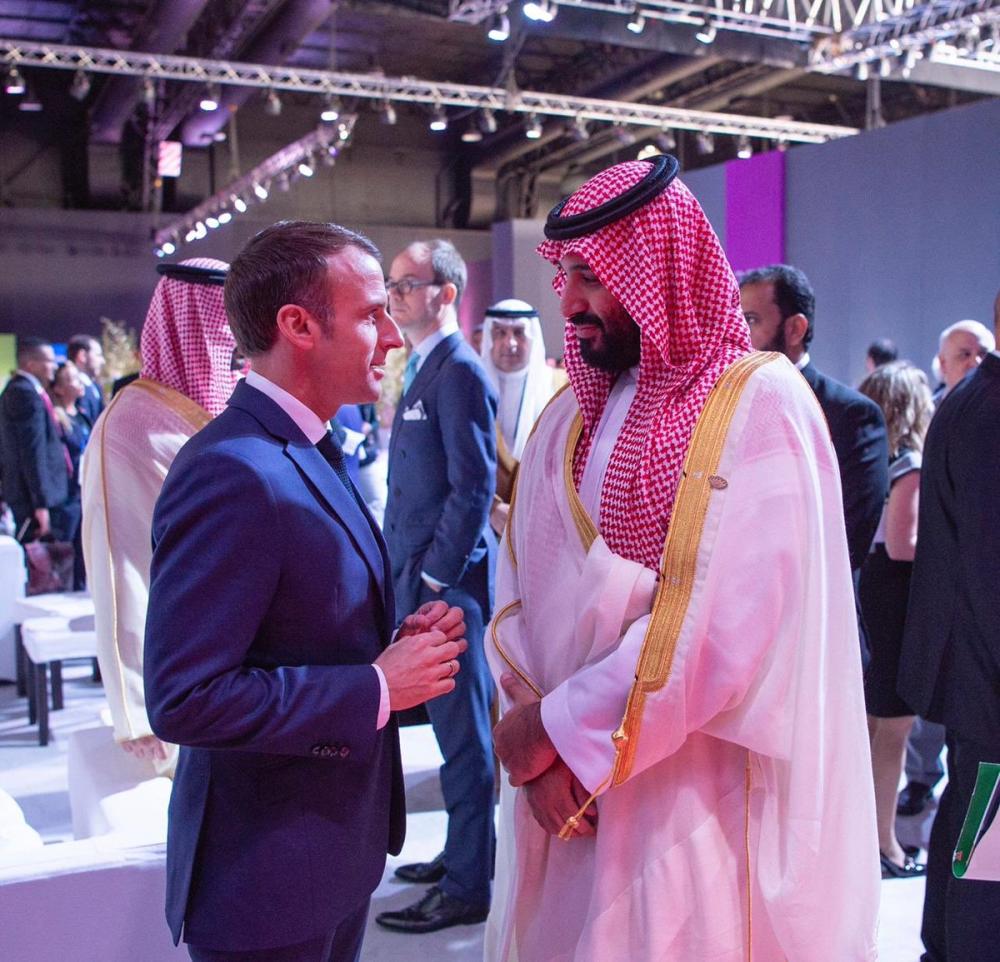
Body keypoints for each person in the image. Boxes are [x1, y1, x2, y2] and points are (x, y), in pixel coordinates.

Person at [486, 158, 879, 961]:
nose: (570, 301)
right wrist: (537, 752)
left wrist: (554, 731)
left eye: (594, 276)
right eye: (565, 275)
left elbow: (729, 625)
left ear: (657, 269)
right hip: (564, 802)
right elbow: (521, 586)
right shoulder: (565, 418)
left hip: (691, 805)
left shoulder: (761, 403)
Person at [144, 221, 469, 962]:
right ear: (298, 326)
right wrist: (375, 688)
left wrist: (394, 645)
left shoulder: (302, 445)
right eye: (372, 315)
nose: (393, 337)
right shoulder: (234, 468)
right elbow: (186, 697)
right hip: (266, 880)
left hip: (327, 857)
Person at [378, 239, 498, 934]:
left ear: (446, 293)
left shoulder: (459, 371)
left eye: (406, 284)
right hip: (424, 580)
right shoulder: (426, 365)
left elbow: (474, 486)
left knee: (464, 738)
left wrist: (433, 576)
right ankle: (461, 855)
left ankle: (467, 884)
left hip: (448, 587)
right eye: (391, 285)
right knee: (452, 736)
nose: (393, 296)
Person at [80, 258, 241, 775]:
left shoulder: (232, 405)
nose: (229, 336)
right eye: (217, 320)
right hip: (181, 665)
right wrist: (136, 706)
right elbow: (118, 567)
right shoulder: (127, 428)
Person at [897, 291, 1000, 962]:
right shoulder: (989, 412)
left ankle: (949, 943)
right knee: (984, 832)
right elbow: (991, 566)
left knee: (970, 812)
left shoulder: (973, 399)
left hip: (974, 672)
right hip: (985, 676)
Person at [740, 265, 888, 666]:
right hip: (738, 640)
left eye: (750, 320)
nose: (737, 335)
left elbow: (847, 536)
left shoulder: (851, 414)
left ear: (795, 328)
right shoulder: (725, 410)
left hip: (819, 637)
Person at [856, 361, 933, 878]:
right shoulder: (909, 464)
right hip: (896, 598)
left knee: (871, 727)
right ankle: (886, 848)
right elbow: (906, 545)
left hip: (870, 587)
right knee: (894, 730)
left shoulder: (869, 457)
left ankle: (865, 844)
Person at [479, 298, 555, 533]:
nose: (509, 343)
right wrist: (491, 507)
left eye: (519, 333)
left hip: (545, 523)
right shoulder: (470, 390)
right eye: (500, 333)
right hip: (482, 524)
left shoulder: (560, 388)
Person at [0, 337, 73, 543]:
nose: (54, 366)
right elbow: (32, 451)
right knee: (40, 557)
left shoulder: (25, 390)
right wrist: (41, 504)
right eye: (49, 361)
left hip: (36, 498)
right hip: (33, 502)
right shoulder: (23, 393)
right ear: (31, 364)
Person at [50, 360, 91, 589]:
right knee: (67, 557)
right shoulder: (57, 419)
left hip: (85, 493)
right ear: (58, 388)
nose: (78, 382)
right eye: (71, 379)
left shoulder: (83, 416)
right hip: (67, 498)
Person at [933, 319, 994, 401]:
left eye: (983, 354)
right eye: (965, 354)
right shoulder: (927, 408)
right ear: (943, 364)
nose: (976, 363)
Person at [67, 333, 106, 423]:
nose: (103, 361)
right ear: (82, 356)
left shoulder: (95, 386)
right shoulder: (71, 388)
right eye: (98, 355)